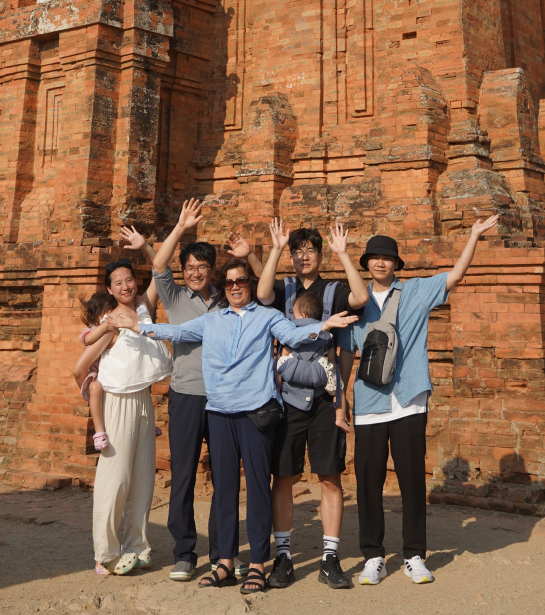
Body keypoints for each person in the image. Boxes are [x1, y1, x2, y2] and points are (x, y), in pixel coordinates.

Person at [122, 256, 358, 596]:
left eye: (241, 281)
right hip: (218, 413)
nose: (235, 287)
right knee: (225, 491)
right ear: (224, 286)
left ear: (249, 284)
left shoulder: (268, 317)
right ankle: (226, 563)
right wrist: (137, 326)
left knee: (259, 490)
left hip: (256, 414)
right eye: (229, 283)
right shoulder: (211, 320)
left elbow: (293, 333)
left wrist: (323, 325)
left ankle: (259, 564)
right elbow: (175, 332)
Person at [345, 216, 499, 586]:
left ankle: (414, 554)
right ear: (366, 263)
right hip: (368, 402)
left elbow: (456, 276)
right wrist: (339, 401)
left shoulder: (415, 292)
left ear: (397, 264)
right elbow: (339, 350)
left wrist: (473, 237)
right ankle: (374, 556)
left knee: (412, 479)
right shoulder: (354, 300)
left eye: (387, 258)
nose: (380, 263)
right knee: (368, 482)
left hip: (409, 399)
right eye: (374, 257)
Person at [128, 199, 263, 583]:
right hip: (186, 394)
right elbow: (158, 266)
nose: (194, 273)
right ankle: (185, 552)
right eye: (188, 268)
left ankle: (224, 554)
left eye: (201, 267)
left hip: (224, 398)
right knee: (184, 475)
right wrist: (182, 226)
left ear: (212, 271)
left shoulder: (228, 298)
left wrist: (250, 255)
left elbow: (267, 292)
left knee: (224, 478)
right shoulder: (174, 297)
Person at [256, 220, 369, 590]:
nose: (303, 257)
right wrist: (274, 249)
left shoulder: (334, 290)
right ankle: (284, 556)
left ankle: (330, 557)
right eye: (297, 251)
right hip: (287, 397)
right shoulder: (283, 287)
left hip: (323, 399)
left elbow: (361, 300)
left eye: (311, 251)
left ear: (321, 255)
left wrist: (343, 254)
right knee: (284, 476)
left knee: (329, 476)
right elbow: (260, 294)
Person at [73, 258, 173, 577]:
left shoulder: (143, 311)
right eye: (118, 282)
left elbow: (161, 265)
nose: (125, 286)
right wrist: (94, 393)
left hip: (143, 400)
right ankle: (106, 552)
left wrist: (173, 232)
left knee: (143, 480)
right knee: (115, 480)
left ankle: (137, 547)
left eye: (129, 280)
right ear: (109, 289)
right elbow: (80, 365)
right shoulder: (111, 323)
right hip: (117, 401)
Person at [276, 291, 341, 409]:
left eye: (294, 314)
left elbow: (285, 352)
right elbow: (331, 358)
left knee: (278, 365)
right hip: (319, 374)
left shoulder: (293, 332)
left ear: (303, 315)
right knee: (338, 387)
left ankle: (278, 388)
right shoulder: (325, 334)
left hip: (292, 372)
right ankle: (339, 415)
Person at [77, 290, 117, 451]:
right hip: (95, 372)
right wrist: (106, 326)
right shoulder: (91, 329)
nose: (110, 317)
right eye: (106, 314)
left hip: (112, 369)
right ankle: (99, 431)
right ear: (96, 316)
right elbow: (88, 339)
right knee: (95, 387)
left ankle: (146, 424)